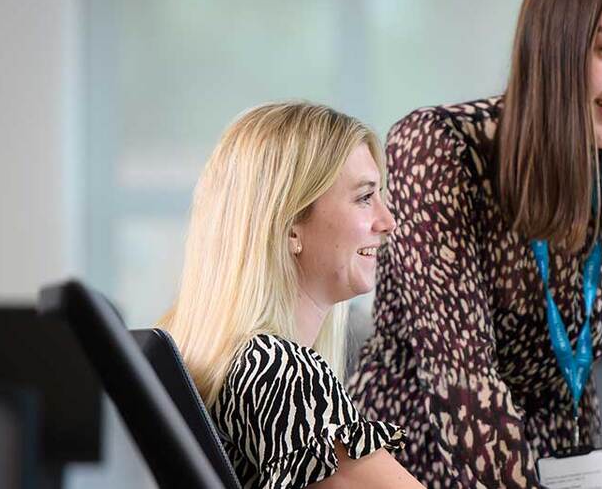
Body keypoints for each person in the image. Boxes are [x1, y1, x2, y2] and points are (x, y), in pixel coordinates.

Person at [347, 0, 602, 486]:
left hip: (566, 464)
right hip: (419, 467)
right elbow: (465, 386)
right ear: (554, 44)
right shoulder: (439, 148)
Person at [159, 102, 425, 489]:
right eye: (365, 197)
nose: (388, 222)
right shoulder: (279, 371)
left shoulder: (223, 358)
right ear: (289, 227)